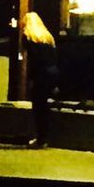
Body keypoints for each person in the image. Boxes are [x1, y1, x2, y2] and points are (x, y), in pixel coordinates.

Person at [21, 11, 58, 148]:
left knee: (38, 107)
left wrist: (30, 78)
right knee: (45, 107)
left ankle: (40, 138)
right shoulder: (48, 37)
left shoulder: (29, 38)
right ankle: (45, 137)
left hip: (39, 75)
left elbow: (33, 61)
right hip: (51, 74)